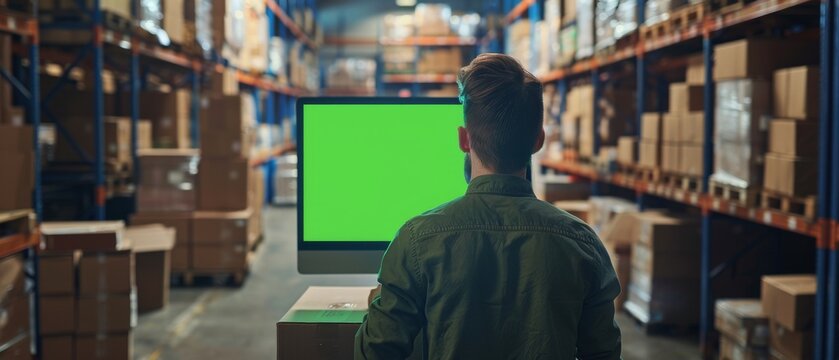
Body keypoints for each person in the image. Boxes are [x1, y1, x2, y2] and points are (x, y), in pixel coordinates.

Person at [354, 53, 622, 360]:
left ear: (464, 140)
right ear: (539, 141)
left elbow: (374, 354)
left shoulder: (416, 240)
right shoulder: (583, 244)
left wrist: (379, 305)